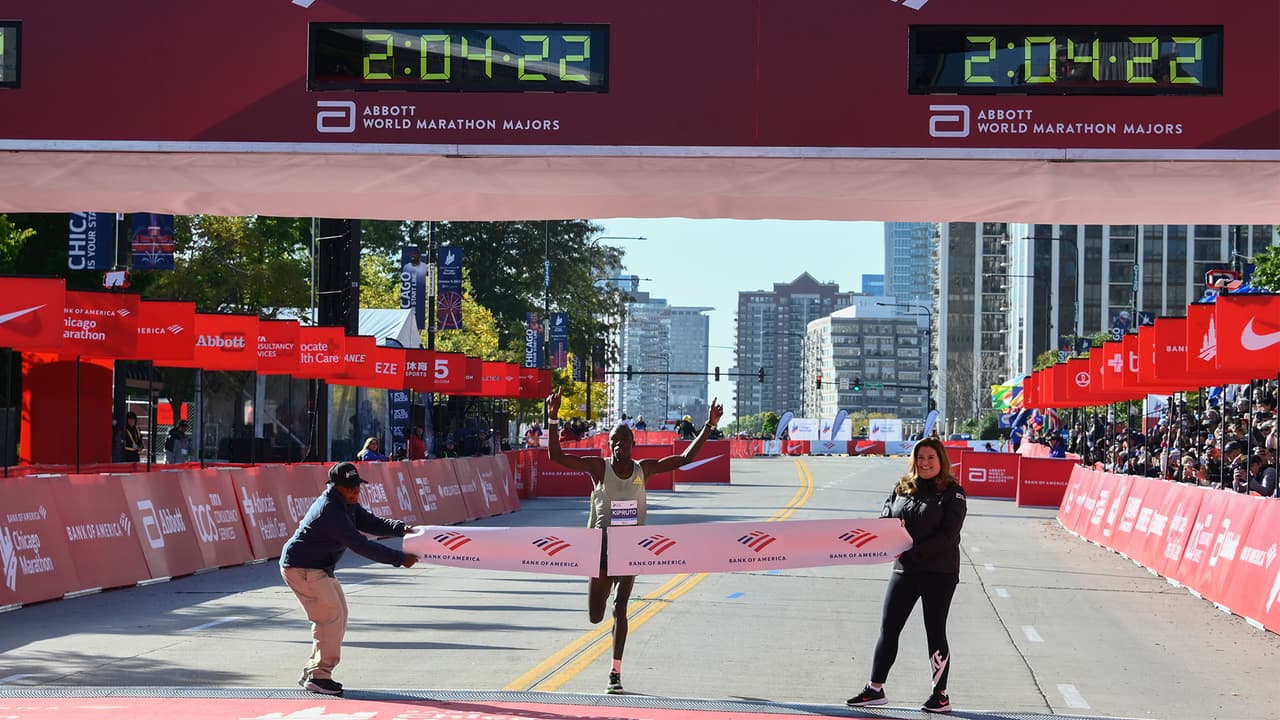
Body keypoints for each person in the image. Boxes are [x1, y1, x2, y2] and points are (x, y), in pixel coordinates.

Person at [545, 388, 724, 694]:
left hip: (630, 549)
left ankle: (615, 672)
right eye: (614, 441)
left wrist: (709, 425)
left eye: (624, 440)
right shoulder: (598, 468)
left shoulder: (644, 469)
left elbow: (684, 458)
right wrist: (552, 418)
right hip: (600, 550)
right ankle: (602, 612)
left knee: (621, 606)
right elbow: (557, 457)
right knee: (595, 615)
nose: (619, 445)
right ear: (609, 445)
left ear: (633, 443)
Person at [847, 437, 967, 714]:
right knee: (889, 628)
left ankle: (940, 695)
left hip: (939, 571)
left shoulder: (953, 492)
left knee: (935, 630)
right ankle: (875, 689)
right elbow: (885, 519)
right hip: (904, 569)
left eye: (931, 458)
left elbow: (948, 535)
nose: (925, 463)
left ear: (941, 461)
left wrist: (910, 551)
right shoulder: (902, 488)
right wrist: (887, 536)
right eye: (920, 458)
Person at [279, 462, 419, 695]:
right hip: (302, 568)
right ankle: (319, 676)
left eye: (357, 486)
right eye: (349, 487)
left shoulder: (347, 503)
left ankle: (314, 670)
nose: (355, 491)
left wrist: (402, 528)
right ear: (335, 486)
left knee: (339, 614)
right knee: (330, 617)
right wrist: (399, 558)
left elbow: (371, 522)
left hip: (316, 567)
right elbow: (360, 544)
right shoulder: (330, 510)